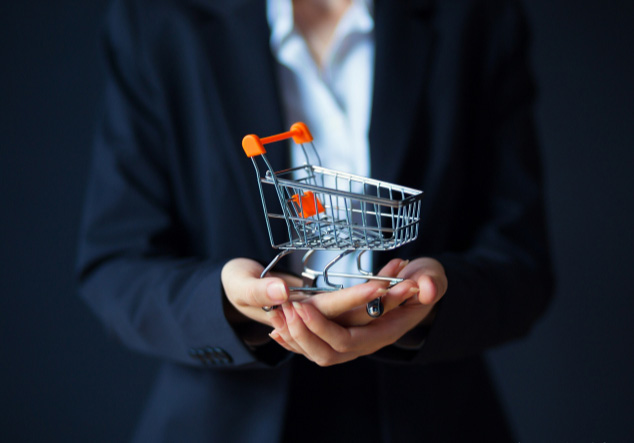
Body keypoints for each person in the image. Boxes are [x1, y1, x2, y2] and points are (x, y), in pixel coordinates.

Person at [77, 0, 554, 441]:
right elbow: (116, 264)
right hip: (224, 419)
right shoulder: (157, 21)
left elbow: (521, 261)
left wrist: (427, 307)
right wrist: (225, 303)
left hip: (428, 415)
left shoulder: (477, 17)